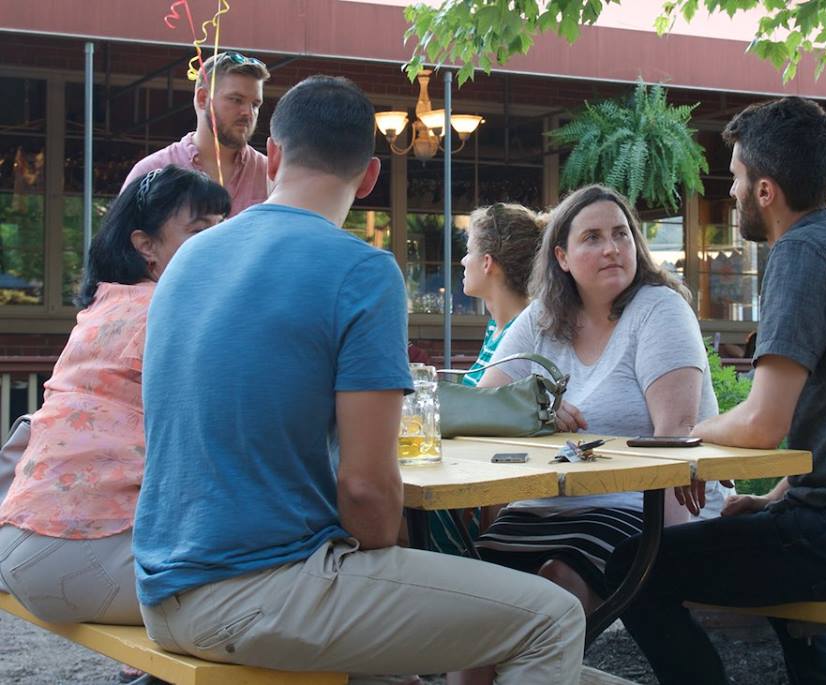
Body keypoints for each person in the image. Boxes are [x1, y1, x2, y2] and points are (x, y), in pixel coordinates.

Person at [133, 75, 585, 685]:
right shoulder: (362, 270)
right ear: (370, 177)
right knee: (551, 620)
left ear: (275, 157)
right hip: (259, 591)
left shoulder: (190, 256)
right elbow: (368, 493)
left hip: (161, 587)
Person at [607, 96, 826, 685]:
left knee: (632, 567)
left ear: (766, 191)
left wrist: (688, 432)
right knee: (770, 540)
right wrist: (773, 500)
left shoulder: (799, 255)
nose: (734, 190)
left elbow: (761, 425)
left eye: (739, 178)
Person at [472, 184, 728, 616]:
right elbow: (482, 406)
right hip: (545, 503)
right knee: (480, 589)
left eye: (621, 233)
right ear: (562, 258)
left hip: (635, 505)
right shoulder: (541, 318)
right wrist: (535, 408)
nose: (611, 248)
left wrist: (667, 556)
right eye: (592, 237)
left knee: (558, 579)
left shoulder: (658, 309)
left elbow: (677, 432)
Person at [0, 165, 229, 625]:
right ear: (145, 245)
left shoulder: (109, 304)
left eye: (223, 229)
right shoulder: (171, 310)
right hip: (82, 552)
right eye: (201, 230)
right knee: (278, 587)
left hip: (20, 539)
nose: (219, 244)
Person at [429, 202, 544, 555]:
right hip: (468, 482)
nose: (462, 262)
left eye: (468, 252)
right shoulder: (498, 327)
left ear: (487, 262)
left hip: (486, 497)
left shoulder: (526, 331)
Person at [122, 52, 270, 216]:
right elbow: (119, 240)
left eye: (255, 104)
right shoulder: (152, 172)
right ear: (202, 98)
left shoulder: (271, 175)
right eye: (236, 99)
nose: (248, 113)